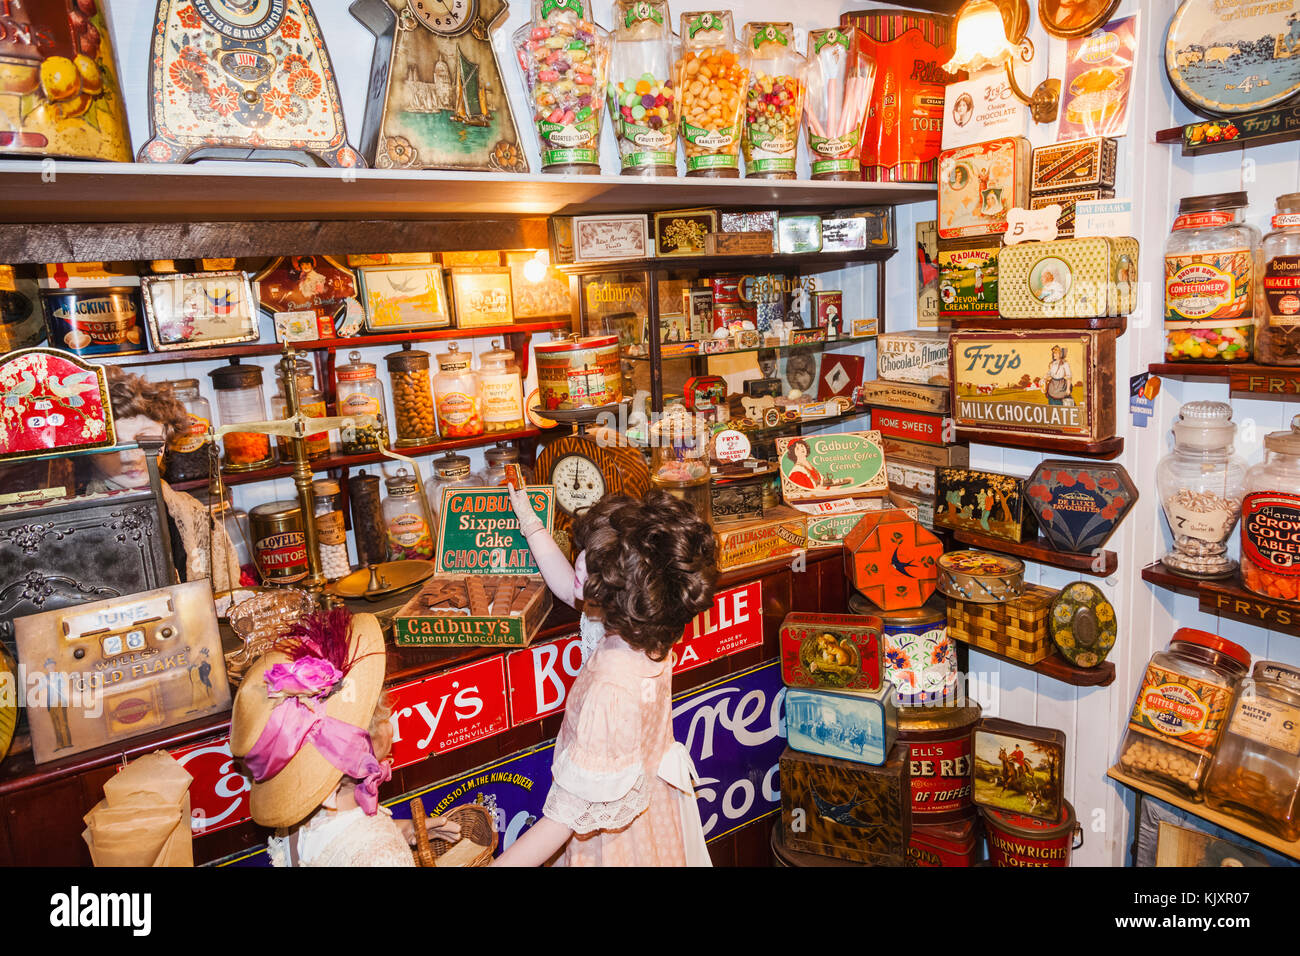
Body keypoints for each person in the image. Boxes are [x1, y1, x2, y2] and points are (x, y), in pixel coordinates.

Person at [493, 489, 717, 867]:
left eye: (594, 566)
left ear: (620, 592)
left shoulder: (610, 689)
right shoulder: (646, 630)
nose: (578, 563)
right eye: (586, 554)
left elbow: (562, 822)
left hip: (612, 844)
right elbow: (568, 585)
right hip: (654, 814)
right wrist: (530, 521)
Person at [229, 608, 459, 867]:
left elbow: (341, 844)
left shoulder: (302, 822)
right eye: (381, 711)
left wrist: (402, 830)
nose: (390, 716)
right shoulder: (385, 856)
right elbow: (369, 854)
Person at [81, 367, 242, 590]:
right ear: (89, 452)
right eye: (113, 446)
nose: (130, 456)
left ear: (165, 436)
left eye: (145, 439)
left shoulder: (191, 513)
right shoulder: (80, 525)